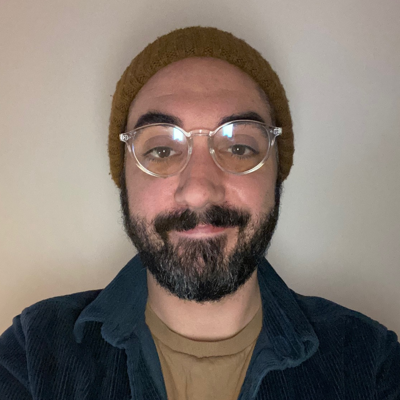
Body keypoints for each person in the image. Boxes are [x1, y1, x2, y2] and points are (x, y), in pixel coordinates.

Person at [0, 26, 399, 400]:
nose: (199, 190)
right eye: (161, 150)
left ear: (277, 171)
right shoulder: (34, 354)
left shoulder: (369, 363)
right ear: (124, 176)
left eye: (239, 147)